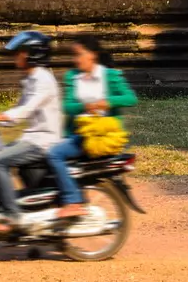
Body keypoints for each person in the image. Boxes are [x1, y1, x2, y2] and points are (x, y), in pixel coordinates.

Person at [0, 29, 63, 233]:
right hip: (32, 137)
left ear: (33, 54)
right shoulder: (31, 79)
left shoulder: (43, 80)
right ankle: (3, 204)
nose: (17, 56)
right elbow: (17, 112)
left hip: (43, 141)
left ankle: (13, 214)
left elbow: (23, 112)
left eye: (21, 52)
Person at [48, 32, 137, 221]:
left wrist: (107, 102)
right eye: (74, 55)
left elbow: (130, 98)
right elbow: (67, 106)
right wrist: (85, 106)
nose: (76, 59)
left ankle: (73, 201)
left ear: (93, 55)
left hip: (100, 136)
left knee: (54, 154)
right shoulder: (73, 77)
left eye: (79, 54)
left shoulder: (110, 76)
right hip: (79, 133)